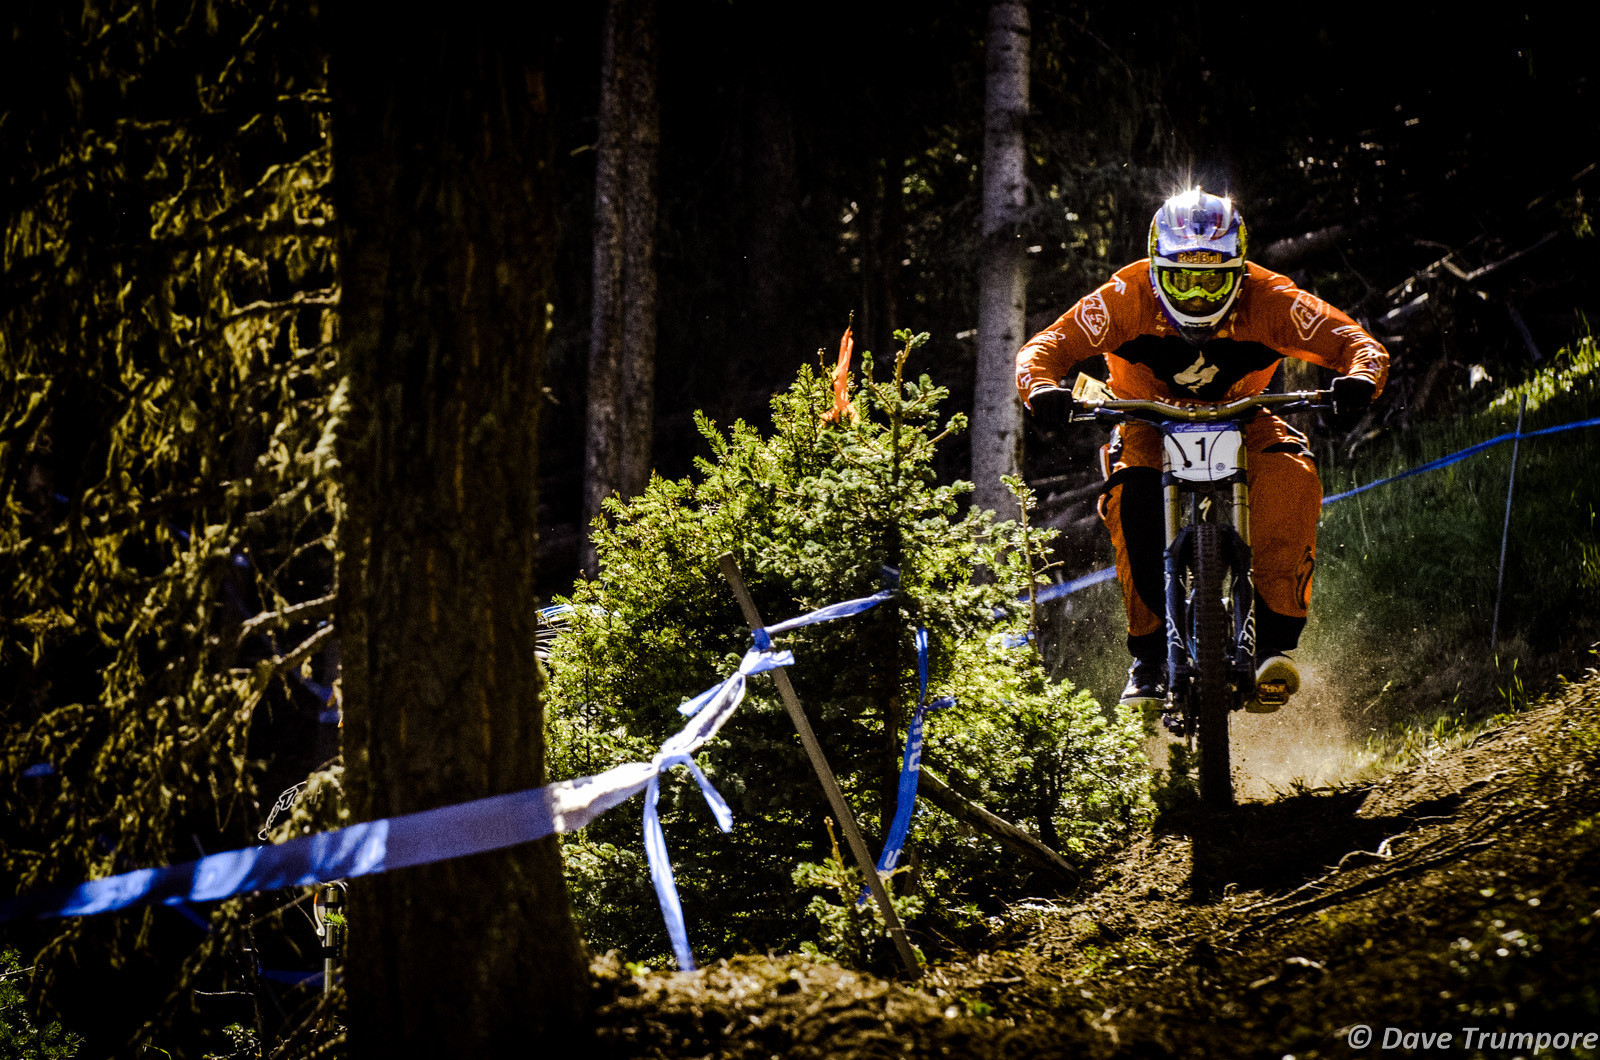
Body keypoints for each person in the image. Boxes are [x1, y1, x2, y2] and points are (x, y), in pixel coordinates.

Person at [1015, 188, 1388, 712]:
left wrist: (1359, 380)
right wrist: (1042, 389)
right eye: (1181, 279)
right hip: (1146, 420)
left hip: (1243, 413)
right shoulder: (1124, 297)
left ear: (1239, 272)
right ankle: (1147, 659)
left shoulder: (1270, 298)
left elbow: (1356, 342)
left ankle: (1272, 645)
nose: (1195, 296)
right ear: (1154, 269)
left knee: (1292, 480)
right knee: (1129, 501)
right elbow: (1046, 348)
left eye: (1211, 279)